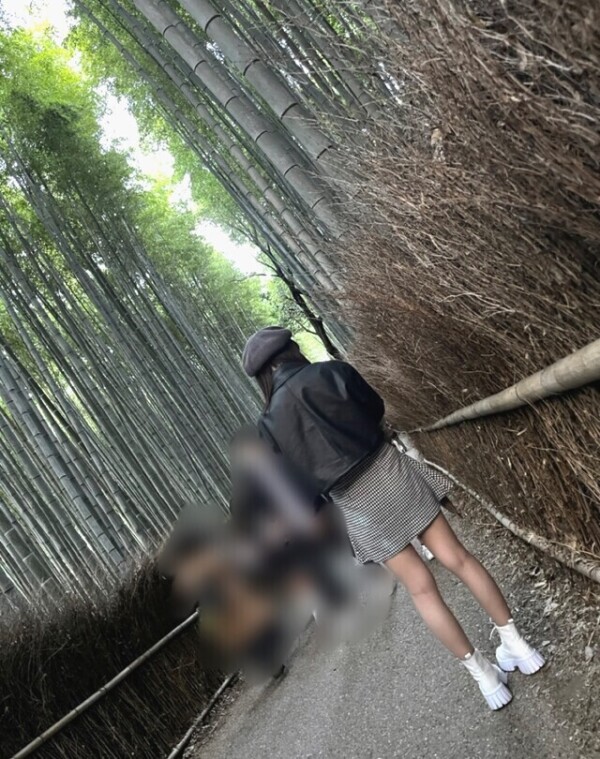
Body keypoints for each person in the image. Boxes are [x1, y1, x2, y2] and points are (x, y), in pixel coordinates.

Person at [241, 326, 545, 710]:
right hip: (390, 471)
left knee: (422, 590)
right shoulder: (330, 372)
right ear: (291, 350)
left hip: (356, 504)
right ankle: (518, 645)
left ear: (263, 377)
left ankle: (485, 678)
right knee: (459, 559)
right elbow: (375, 408)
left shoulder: (267, 427)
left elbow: (297, 484)